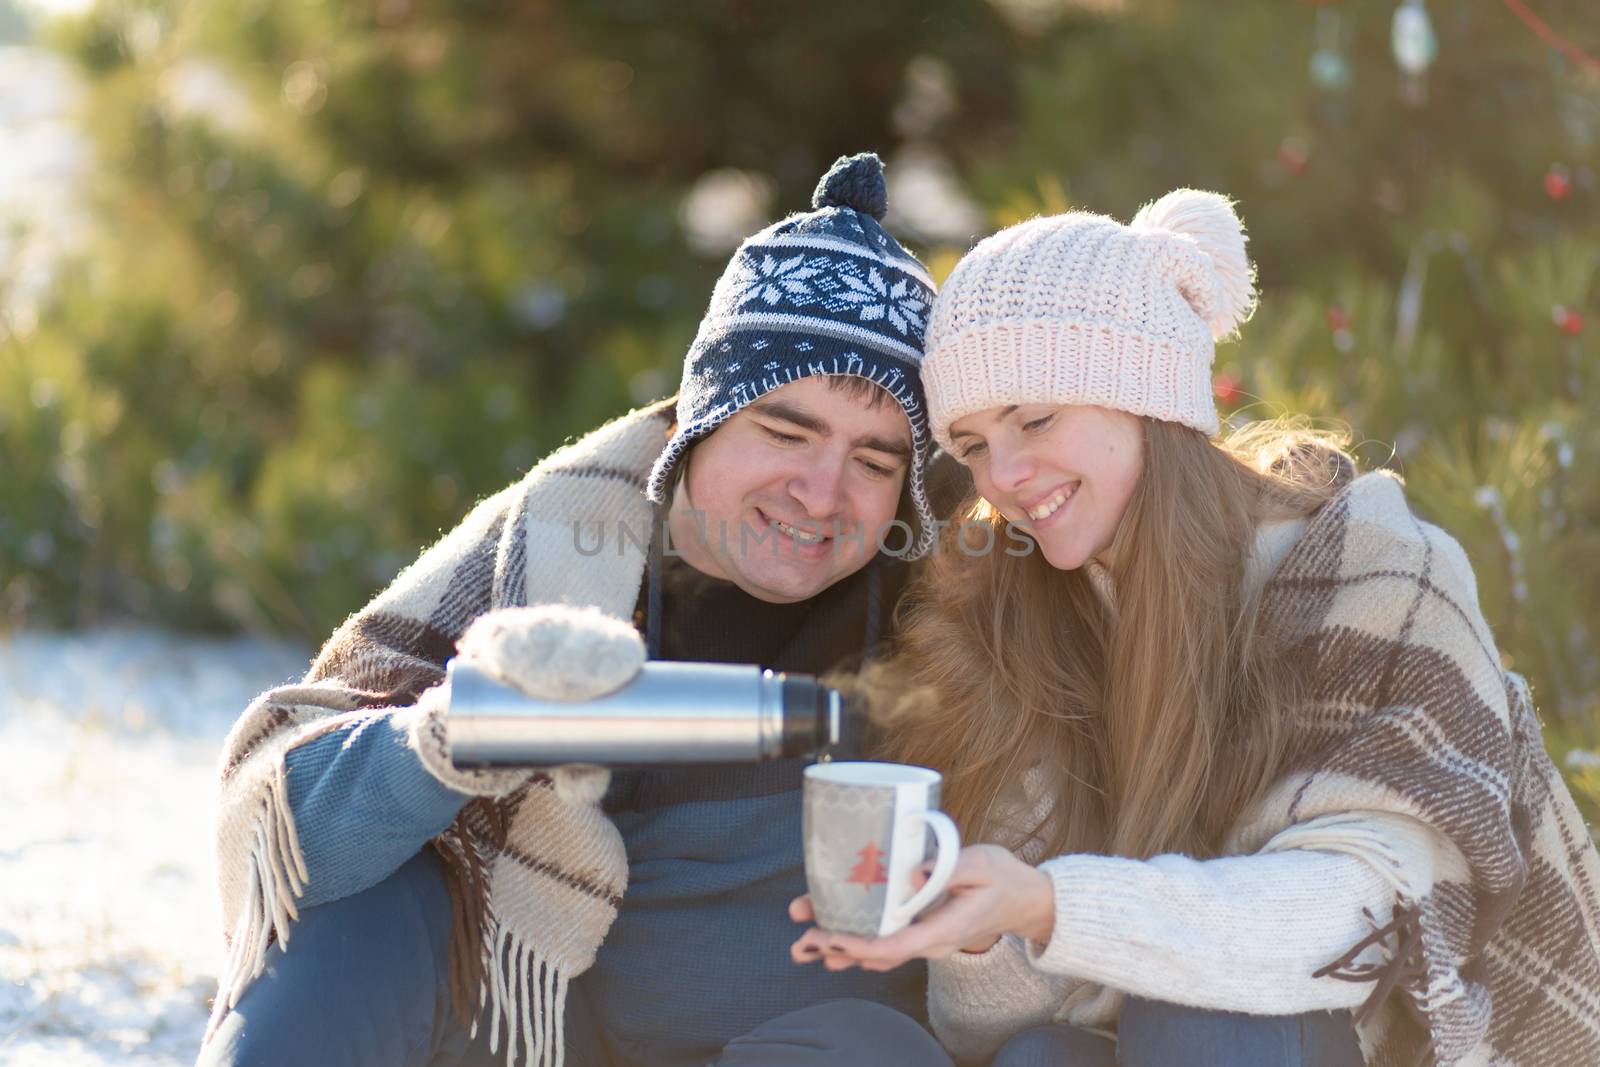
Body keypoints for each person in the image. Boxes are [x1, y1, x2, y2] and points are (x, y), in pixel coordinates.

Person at [789, 190, 1600, 1067]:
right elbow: (982, 1032)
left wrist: (1050, 906)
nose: (1006, 476)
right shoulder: (1023, 606)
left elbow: (1344, 924)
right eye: (974, 443)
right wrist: (978, 930)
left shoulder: (1375, 573)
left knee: (1206, 1021)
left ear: (1148, 398)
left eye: (1036, 418)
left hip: (1366, 1041)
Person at [197, 152, 965, 1067]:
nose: (821, 492)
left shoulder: (945, 601)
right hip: (524, 1026)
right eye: (783, 431)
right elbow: (297, 832)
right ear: (700, 418)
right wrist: (454, 734)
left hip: (780, 1044)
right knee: (374, 905)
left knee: (876, 1046)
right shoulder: (554, 545)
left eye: (874, 462)